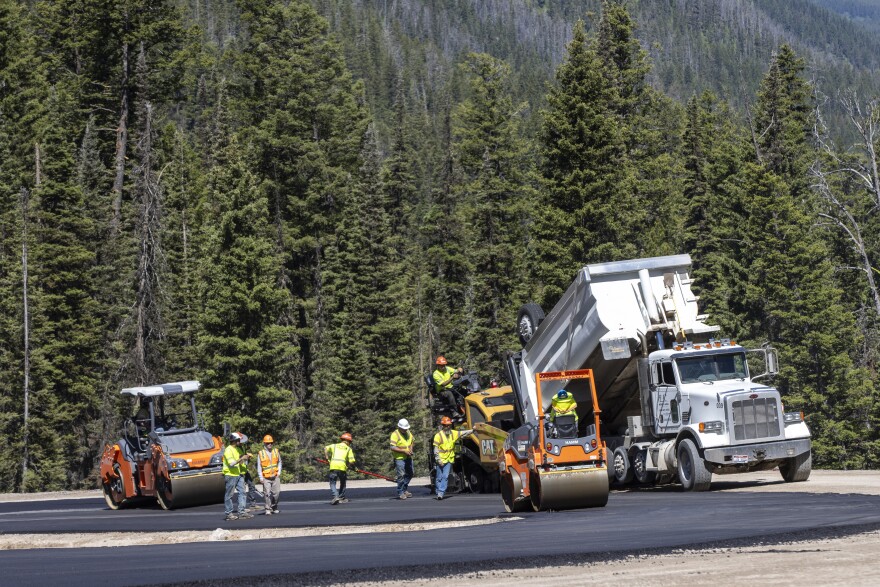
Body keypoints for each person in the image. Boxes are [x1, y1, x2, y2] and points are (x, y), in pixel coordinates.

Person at [432, 416, 472, 500]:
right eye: (446, 425)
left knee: (445, 476)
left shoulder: (453, 433)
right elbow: (435, 449)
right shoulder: (438, 436)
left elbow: (463, 433)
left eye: (449, 425)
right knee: (439, 477)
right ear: (443, 425)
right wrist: (438, 460)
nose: (447, 427)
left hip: (449, 459)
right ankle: (438, 490)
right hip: (440, 459)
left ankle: (441, 493)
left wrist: (473, 430)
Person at [222, 432, 253, 521]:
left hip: (238, 474)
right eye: (239, 440)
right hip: (230, 475)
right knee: (229, 495)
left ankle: (242, 512)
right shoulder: (228, 450)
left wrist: (245, 458)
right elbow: (231, 463)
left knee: (242, 492)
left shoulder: (236, 449)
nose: (240, 441)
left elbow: (238, 461)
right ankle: (229, 513)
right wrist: (241, 458)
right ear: (235, 440)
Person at [325, 432, 356, 505]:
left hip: (333, 467)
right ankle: (341, 497)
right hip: (342, 468)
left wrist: (327, 458)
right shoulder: (348, 449)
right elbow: (351, 461)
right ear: (348, 441)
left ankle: (335, 496)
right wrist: (352, 467)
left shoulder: (334, 446)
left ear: (342, 439)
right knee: (343, 483)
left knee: (332, 483)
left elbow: (325, 448)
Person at [389, 418, 414, 500]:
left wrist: (411, 449)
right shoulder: (395, 434)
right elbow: (392, 447)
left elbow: (412, 441)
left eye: (406, 428)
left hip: (408, 457)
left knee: (410, 473)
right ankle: (400, 492)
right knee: (401, 475)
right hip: (399, 458)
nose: (405, 429)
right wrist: (403, 451)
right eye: (404, 428)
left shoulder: (408, 432)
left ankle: (404, 488)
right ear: (399, 427)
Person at [258, 434, 282, 515]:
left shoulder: (276, 451)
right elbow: (259, 466)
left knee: (277, 494)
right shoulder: (261, 453)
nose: (270, 444)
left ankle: (274, 507)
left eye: (271, 443)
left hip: (275, 476)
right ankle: (268, 508)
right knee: (267, 494)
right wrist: (261, 477)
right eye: (268, 443)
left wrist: (279, 473)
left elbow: (279, 462)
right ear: (264, 443)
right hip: (266, 477)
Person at [238, 433, 263, 510]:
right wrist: (245, 457)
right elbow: (238, 459)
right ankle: (242, 507)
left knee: (251, 485)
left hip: (244, 470)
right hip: (239, 472)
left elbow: (243, 456)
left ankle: (252, 504)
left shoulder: (242, 447)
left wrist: (247, 456)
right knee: (242, 490)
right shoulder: (235, 449)